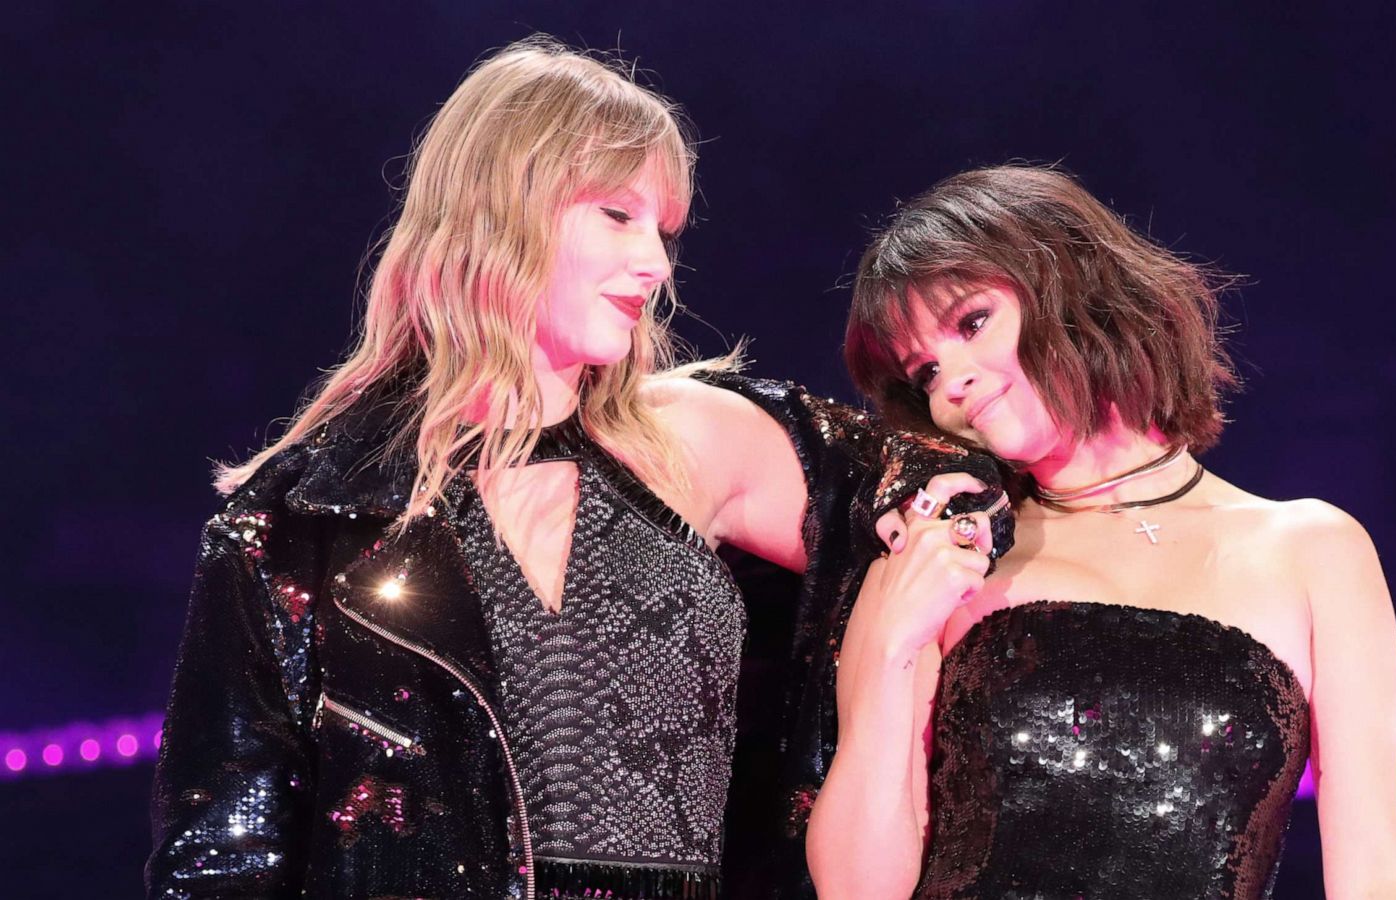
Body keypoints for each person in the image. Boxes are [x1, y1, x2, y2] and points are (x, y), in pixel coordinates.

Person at [146, 39, 1006, 899]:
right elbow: (222, 857)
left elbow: (953, 489)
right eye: (617, 215)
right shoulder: (307, 513)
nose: (657, 266)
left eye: (663, 229)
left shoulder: (699, 436)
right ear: (501, 208)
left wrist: (902, 627)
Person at [806, 165, 1396, 899]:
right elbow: (856, 890)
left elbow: (1377, 866)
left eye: (973, 322)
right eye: (926, 372)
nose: (952, 384)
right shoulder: (944, 558)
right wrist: (886, 646)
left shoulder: (1311, 549)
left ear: (1069, 281)